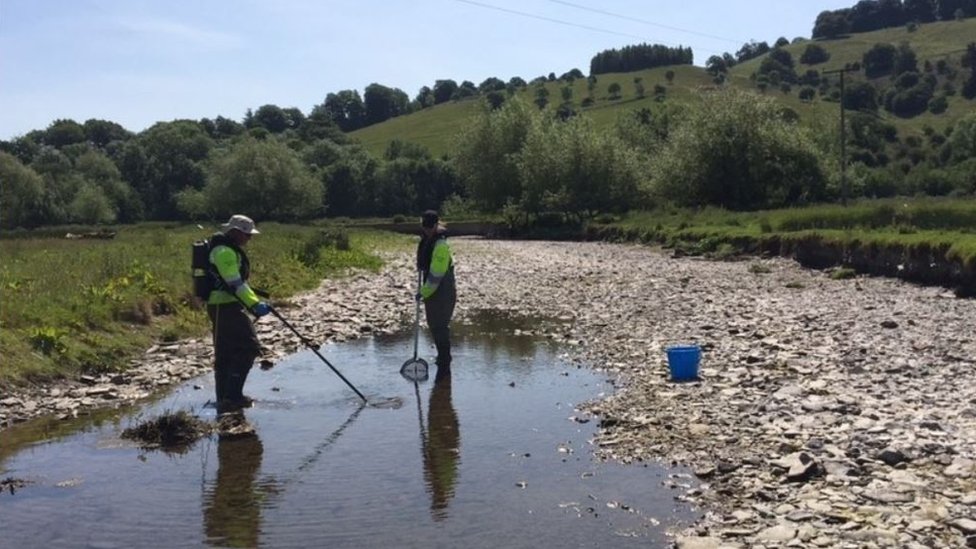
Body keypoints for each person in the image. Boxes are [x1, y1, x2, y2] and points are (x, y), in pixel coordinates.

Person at [206, 214, 270, 414]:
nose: (249, 239)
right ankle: (233, 397)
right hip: (226, 307)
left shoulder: (224, 248)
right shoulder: (224, 252)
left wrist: (253, 298)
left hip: (221, 306)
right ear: (234, 232)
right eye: (247, 234)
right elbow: (234, 283)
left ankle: (224, 400)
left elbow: (233, 282)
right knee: (249, 348)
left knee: (225, 354)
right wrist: (255, 305)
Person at [416, 210, 456, 372]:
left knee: (440, 325)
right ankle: (442, 359)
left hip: (442, 291)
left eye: (429, 227)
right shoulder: (427, 240)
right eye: (424, 226)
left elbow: (436, 275)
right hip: (432, 291)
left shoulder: (440, 246)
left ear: (436, 225)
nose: (426, 229)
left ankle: (445, 360)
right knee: (434, 324)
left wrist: (423, 292)